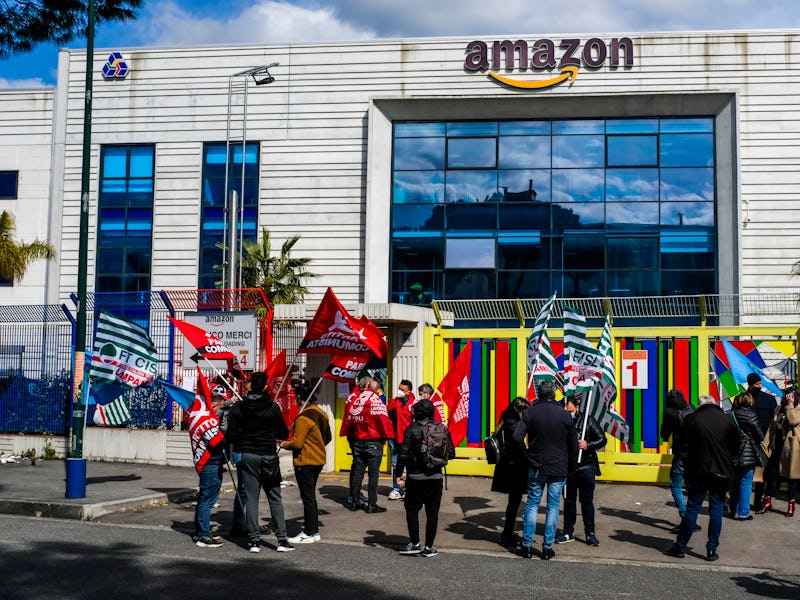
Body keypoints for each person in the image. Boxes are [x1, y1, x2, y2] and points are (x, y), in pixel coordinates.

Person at [226, 371, 294, 553]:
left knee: (251, 498)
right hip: (268, 456)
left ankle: (254, 541)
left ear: (249, 386)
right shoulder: (272, 408)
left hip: (248, 455)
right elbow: (283, 433)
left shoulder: (238, 408)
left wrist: (244, 439)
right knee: (275, 498)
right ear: (265, 387)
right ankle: (281, 540)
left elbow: (230, 434)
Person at [665, 395, 739, 561]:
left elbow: (684, 447)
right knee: (716, 510)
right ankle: (711, 549)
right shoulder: (727, 419)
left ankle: (680, 546)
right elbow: (736, 446)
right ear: (714, 404)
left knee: (693, 508)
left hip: (698, 471)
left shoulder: (693, 419)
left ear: (700, 405)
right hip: (721, 471)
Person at [513, 379, 577, 560]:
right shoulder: (565, 415)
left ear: (539, 394)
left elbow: (517, 437)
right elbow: (573, 445)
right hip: (558, 466)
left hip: (537, 465)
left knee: (532, 504)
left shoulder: (529, 413)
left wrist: (527, 457)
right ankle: (547, 547)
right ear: (554, 394)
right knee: (553, 506)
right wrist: (571, 467)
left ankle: (526, 546)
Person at [395, 398, 455, 558]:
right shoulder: (441, 428)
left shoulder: (411, 429)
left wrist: (398, 473)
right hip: (435, 477)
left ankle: (414, 543)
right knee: (432, 513)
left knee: (412, 510)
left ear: (415, 413)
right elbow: (452, 453)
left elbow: (403, 454)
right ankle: (429, 547)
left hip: (415, 477)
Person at [281, 383, 332, 543]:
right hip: (318, 459)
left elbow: (297, 443)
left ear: (299, 398)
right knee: (310, 497)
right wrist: (316, 444)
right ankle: (313, 531)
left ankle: (310, 532)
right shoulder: (321, 413)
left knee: (308, 497)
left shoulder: (304, 417)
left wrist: (283, 444)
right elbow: (328, 437)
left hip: (305, 461)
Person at [556, 393, 606, 547]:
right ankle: (567, 532)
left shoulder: (587, 420)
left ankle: (590, 533)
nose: (565, 409)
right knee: (569, 501)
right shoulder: (561, 421)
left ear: (576, 406)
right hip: (568, 468)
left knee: (586, 502)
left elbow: (602, 439)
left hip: (586, 467)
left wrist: (587, 445)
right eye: (563, 406)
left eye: (568, 406)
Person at [340, 378, 395, 513]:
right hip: (373, 441)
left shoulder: (356, 399)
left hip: (358, 441)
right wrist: (388, 438)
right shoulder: (376, 401)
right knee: (373, 475)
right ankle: (372, 504)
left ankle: (354, 501)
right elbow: (385, 422)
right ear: (377, 390)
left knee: (358, 473)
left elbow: (349, 420)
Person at [490, 396, 530, 548]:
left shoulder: (505, 420)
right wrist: (529, 458)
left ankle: (507, 532)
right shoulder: (515, 424)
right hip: (514, 467)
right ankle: (507, 535)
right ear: (519, 410)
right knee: (514, 503)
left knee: (513, 503)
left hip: (507, 465)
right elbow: (518, 444)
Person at [193, 392, 227, 548]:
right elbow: (216, 442)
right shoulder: (206, 420)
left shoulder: (201, 418)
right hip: (209, 464)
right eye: (220, 407)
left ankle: (201, 530)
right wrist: (225, 434)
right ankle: (203, 535)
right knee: (207, 500)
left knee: (204, 498)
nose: (221, 411)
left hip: (210, 463)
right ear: (213, 406)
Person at [659, 388, 694, 524]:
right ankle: (692, 516)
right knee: (692, 487)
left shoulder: (670, 413)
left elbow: (664, 435)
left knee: (676, 485)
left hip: (681, 454)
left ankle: (685, 516)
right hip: (695, 454)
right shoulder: (692, 408)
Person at [728, 391, 764, 520]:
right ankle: (743, 513)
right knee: (745, 483)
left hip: (732, 453)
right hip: (748, 453)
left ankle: (733, 510)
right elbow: (760, 436)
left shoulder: (730, 414)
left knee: (735, 484)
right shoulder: (751, 415)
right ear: (749, 401)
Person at [341, 376, 372, 509]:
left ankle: (355, 494)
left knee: (358, 466)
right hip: (356, 436)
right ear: (365, 386)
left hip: (358, 435)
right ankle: (354, 496)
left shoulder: (356, 395)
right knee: (358, 466)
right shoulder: (356, 397)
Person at [387, 379, 415, 500]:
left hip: (409, 440)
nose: (399, 391)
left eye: (402, 389)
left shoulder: (414, 404)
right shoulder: (393, 402)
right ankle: (396, 489)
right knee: (395, 464)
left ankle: (410, 489)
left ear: (408, 391)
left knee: (410, 465)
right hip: (394, 438)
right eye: (399, 388)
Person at [777, 388, 800, 517]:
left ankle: (792, 503)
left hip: (796, 446)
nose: (789, 398)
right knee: (790, 477)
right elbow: (779, 425)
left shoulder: (795, 407)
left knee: (794, 478)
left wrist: (790, 406)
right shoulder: (784, 407)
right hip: (788, 446)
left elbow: (793, 421)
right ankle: (790, 504)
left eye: (791, 396)